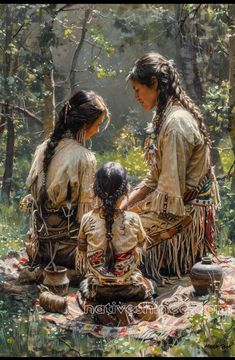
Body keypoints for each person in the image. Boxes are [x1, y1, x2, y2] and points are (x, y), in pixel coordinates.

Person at [120, 52, 220, 283]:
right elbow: (154, 180)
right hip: (172, 202)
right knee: (115, 222)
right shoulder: (163, 117)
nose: (136, 96)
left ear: (153, 83)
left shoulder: (176, 124)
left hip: (185, 214)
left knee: (120, 234)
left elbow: (171, 196)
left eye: (137, 89)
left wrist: (128, 215)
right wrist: (122, 207)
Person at [22, 90, 110, 271]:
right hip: (69, 252)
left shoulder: (43, 148)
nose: (98, 130)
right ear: (85, 125)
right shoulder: (84, 157)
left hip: (40, 247)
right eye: (98, 124)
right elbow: (85, 217)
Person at [76, 161, 156, 303]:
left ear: (95, 189)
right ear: (126, 189)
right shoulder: (134, 219)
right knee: (152, 283)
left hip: (98, 292)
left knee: (83, 283)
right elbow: (141, 245)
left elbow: (82, 250)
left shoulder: (87, 219)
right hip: (131, 290)